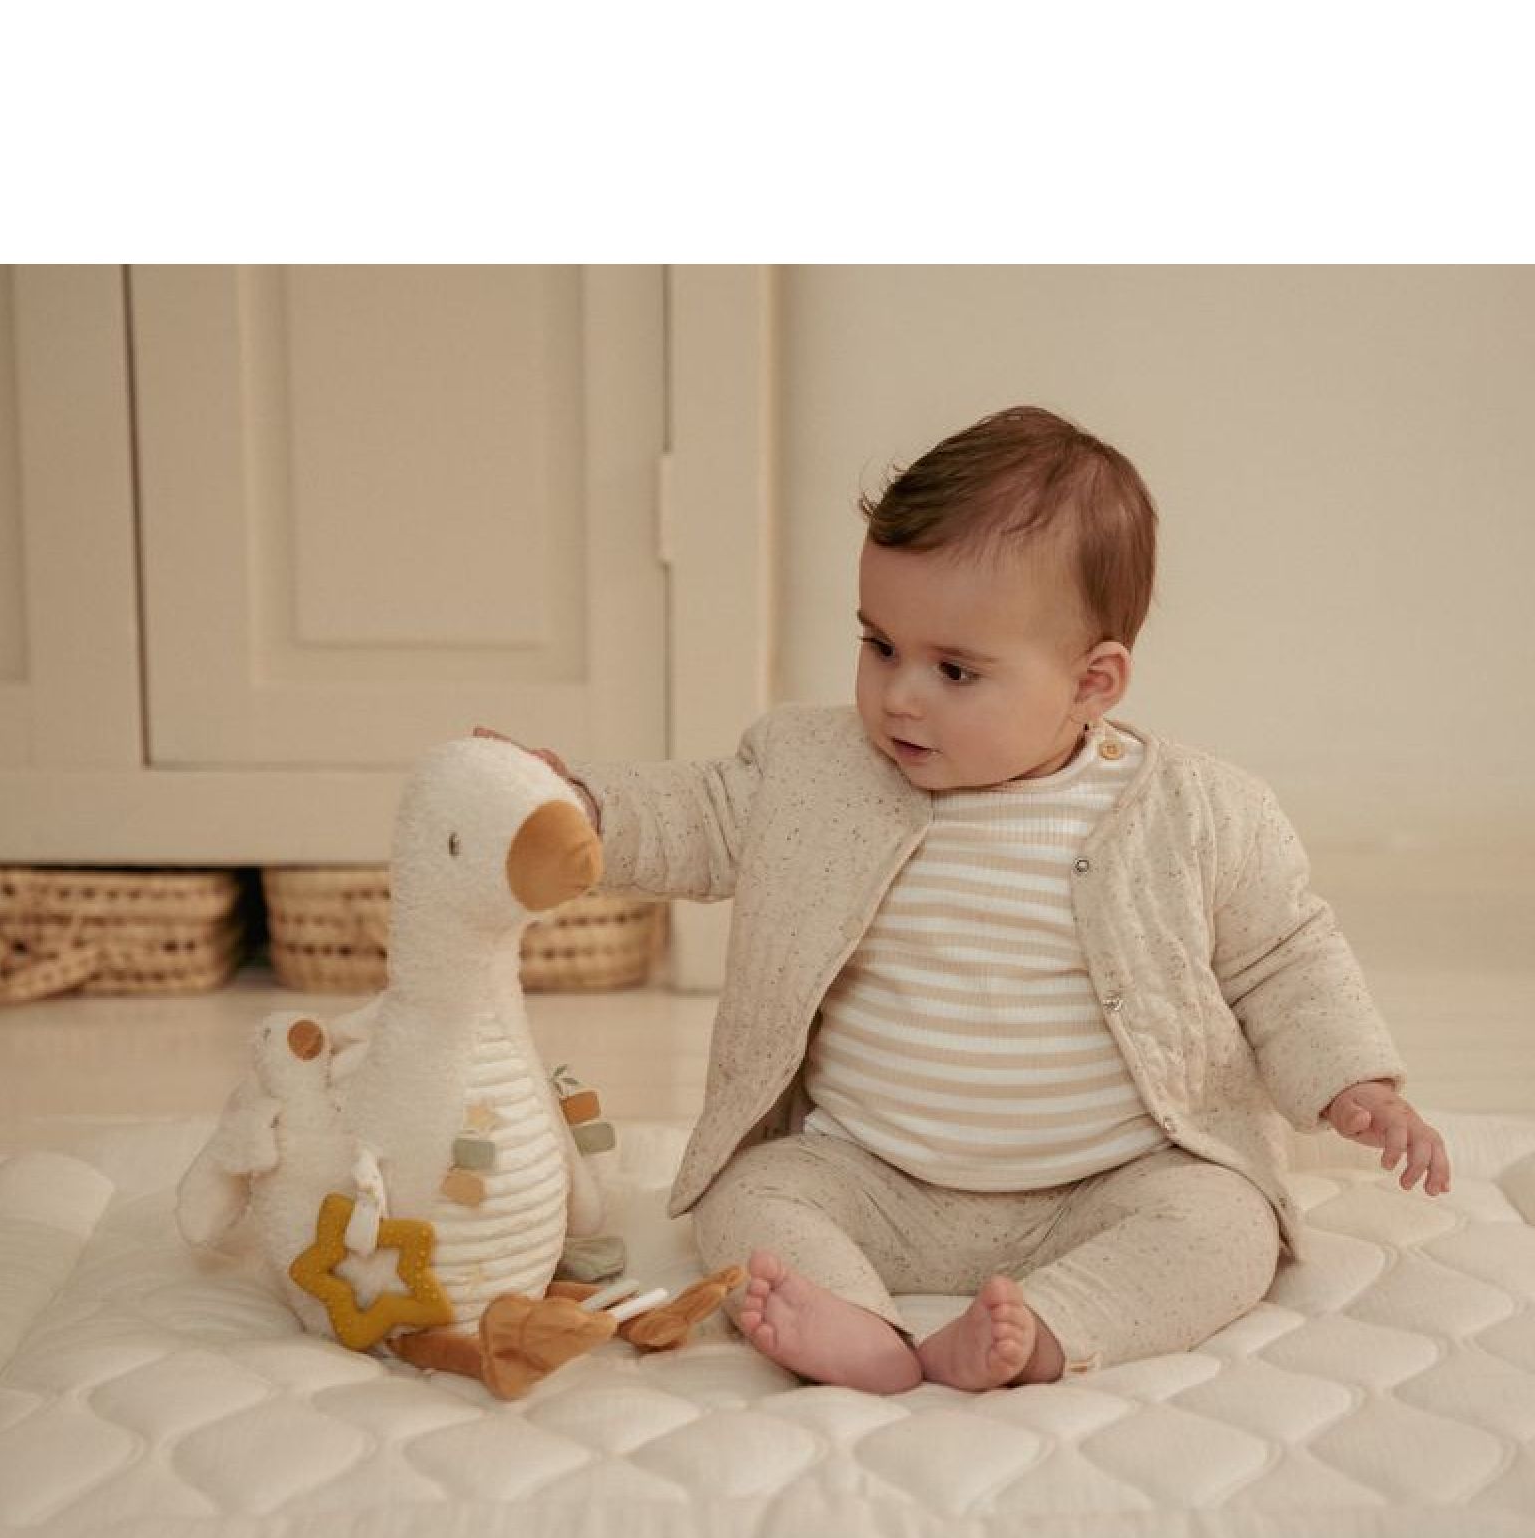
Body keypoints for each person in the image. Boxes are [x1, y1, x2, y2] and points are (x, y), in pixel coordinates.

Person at [498, 404, 1450, 1396]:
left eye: (954, 669)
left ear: (1092, 682)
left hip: (1107, 1182)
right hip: (872, 1173)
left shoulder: (1200, 813)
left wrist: (1352, 1081)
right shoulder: (814, 772)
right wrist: (573, 806)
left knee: (1226, 1226)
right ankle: (853, 1322)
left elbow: (1284, 955)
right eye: (879, 646)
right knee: (747, 1195)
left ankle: (1050, 1327)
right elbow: (695, 813)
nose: (900, 695)